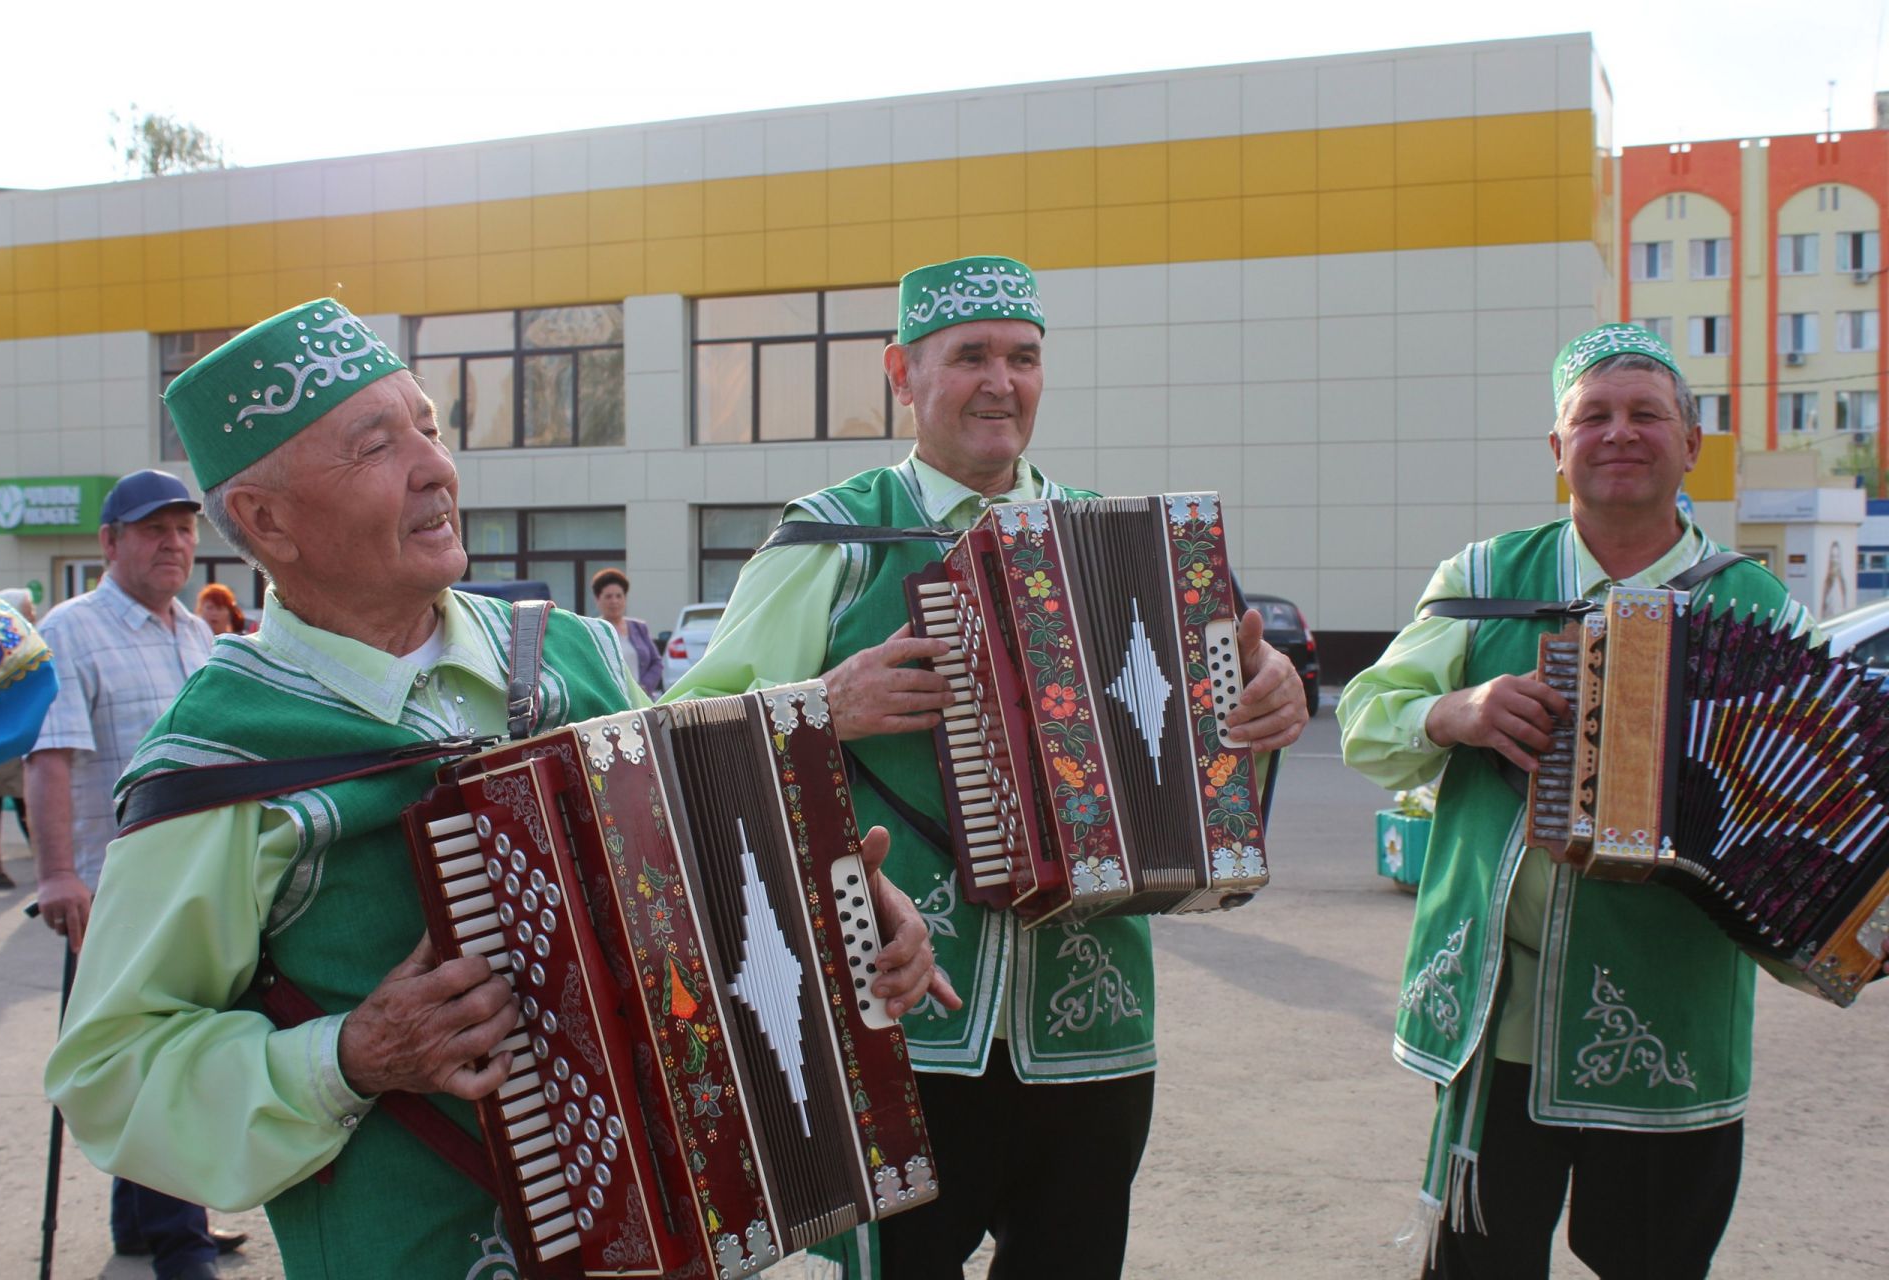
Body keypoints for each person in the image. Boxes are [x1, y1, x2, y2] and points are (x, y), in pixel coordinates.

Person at [43, 300, 950, 1278]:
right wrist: (348, 1055)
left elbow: (680, 875)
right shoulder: (223, 763)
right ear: (268, 519)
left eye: (430, 427)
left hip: (708, 1228)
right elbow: (109, 1072)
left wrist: (838, 913)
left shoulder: (575, 657)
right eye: (375, 445)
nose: (435, 466)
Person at [670, 255, 1308, 1280]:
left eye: (1023, 356)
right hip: (904, 1020)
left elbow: (1218, 714)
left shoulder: (1121, 539)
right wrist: (823, 707)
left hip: (1096, 1022)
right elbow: (682, 740)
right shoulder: (835, 537)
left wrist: (1270, 686)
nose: (1000, 381)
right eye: (969, 356)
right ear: (901, 372)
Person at [1337, 324, 1868, 1280]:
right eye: (1594, 417)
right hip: (1494, 1016)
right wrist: (1459, 710)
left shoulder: (1758, 610)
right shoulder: (1485, 579)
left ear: (1691, 445)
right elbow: (1367, 722)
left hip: (1667, 1020)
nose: (1619, 434)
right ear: (1558, 447)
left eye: (1645, 414)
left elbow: (1810, 812)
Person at [24, 471, 241, 1280]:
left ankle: (142, 1225)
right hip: (109, 891)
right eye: (154, 530)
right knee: (156, 1059)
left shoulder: (199, 637)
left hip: (194, 887)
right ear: (110, 542)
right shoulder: (71, 630)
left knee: (159, 1049)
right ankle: (181, 1245)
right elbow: (50, 759)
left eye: (184, 529)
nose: (174, 543)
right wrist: (53, 875)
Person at [0, 578, 56, 888]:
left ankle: (42, 858)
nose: (32, 613)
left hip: (15, 735)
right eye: (27, 608)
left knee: (24, 799)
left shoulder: (28, 640)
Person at [590, 565, 663, 696]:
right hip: (610, 702)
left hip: (641, 701)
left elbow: (656, 662)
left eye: (619, 596)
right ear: (597, 599)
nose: (614, 601)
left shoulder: (639, 627)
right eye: (608, 596)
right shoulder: (592, 630)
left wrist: (644, 687)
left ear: (625, 598)